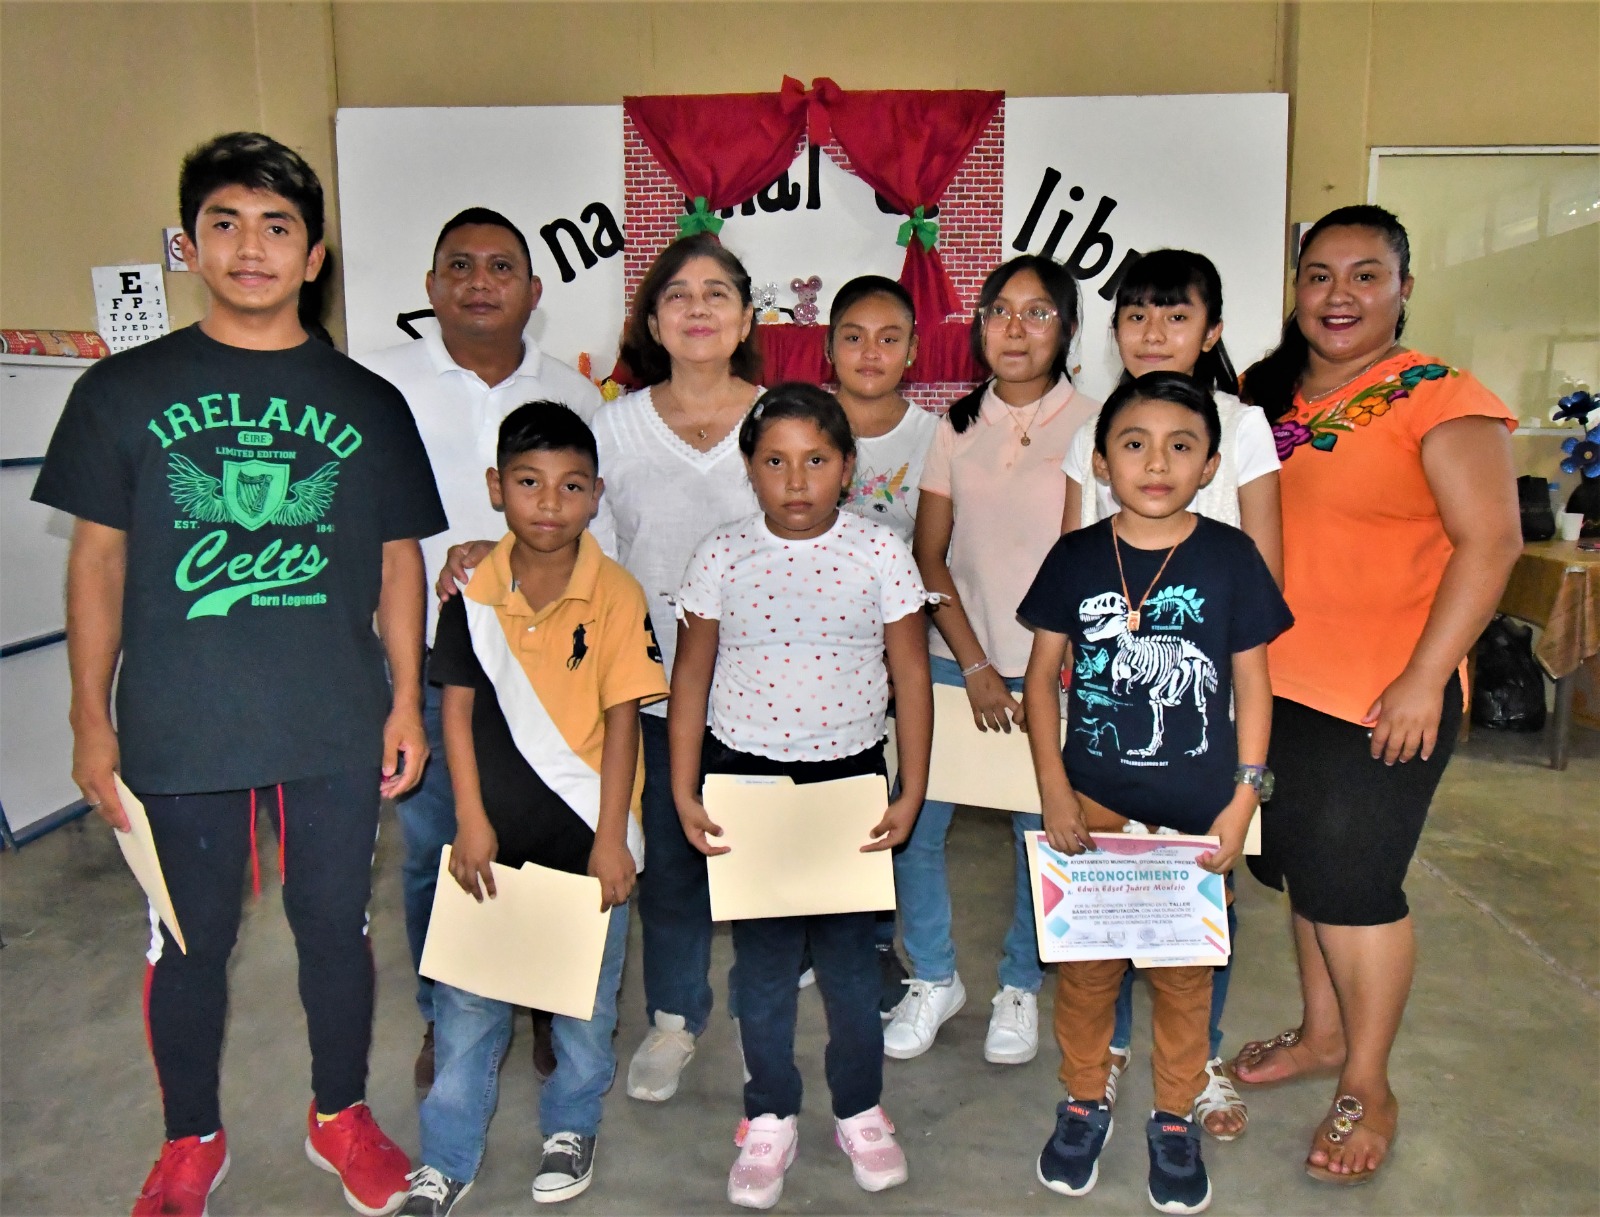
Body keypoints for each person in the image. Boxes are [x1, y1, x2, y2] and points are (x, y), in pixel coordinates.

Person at [33, 132, 446, 1217]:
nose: (250, 247)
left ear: (315, 255)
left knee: (335, 930)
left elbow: (402, 559)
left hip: (332, 721)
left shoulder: (368, 403)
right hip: (179, 725)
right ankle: (190, 1138)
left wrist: (404, 697)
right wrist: (89, 717)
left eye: (277, 227)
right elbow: (99, 560)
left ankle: (338, 1115)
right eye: (224, 222)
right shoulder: (124, 392)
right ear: (189, 244)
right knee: (189, 939)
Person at [1227, 205, 1521, 1185]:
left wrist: (1423, 676)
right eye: (1318, 275)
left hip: (1382, 697)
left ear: (1402, 287)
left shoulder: (1438, 396)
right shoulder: (1264, 397)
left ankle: (1367, 1077)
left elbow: (1492, 542)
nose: (1338, 294)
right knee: (1302, 874)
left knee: (1356, 889)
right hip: (1277, 685)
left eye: (1364, 274)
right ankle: (1318, 1033)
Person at [439, 233, 763, 1102]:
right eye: (677, 295)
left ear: (745, 316)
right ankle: (674, 1018)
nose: (697, 308)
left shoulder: (780, 418)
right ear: (652, 319)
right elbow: (561, 529)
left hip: (767, 690)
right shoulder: (613, 425)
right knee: (669, 862)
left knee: (764, 860)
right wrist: (485, 549)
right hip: (645, 686)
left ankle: (770, 1021)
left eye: (717, 293)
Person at [1019, 371, 1293, 1215]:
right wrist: (1055, 793)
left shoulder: (1230, 556)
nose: (1157, 462)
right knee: (1087, 971)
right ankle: (1082, 1098)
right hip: (1089, 811)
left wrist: (1244, 798)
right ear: (1102, 461)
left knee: (1184, 981)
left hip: (1194, 820)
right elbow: (1040, 683)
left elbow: (1255, 684)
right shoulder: (1074, 555)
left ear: (1211, 464)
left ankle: (1172, 1116)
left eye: (1182, 445)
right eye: (1134, 443)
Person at [398, 404, 668, 1215]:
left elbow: (625, 719)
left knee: (583, 1006)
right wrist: (470, 821)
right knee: (467, 1007)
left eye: (570, 486)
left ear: (595, 496)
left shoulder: (617, 593)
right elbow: (453, 711)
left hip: (590, 841)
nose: (549, 503)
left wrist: (614, 837)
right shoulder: (470, 593)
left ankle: (571, 1124)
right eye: (528, 483)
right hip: (494, 840)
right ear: (495, 488)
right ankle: (446, 1156)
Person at [669, 384, 933, 1210]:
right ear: (749, 468)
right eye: (774, 461)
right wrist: (684, 784)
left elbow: (912, 676)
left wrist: (912, 785)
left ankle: (859, 1106)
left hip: (849, 782)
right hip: (746, 782)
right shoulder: (721, 554)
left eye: (816, 460)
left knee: (855, 965)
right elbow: (692, 677)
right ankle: (770, 1113)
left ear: (847, 468)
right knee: (766, 965)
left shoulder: (882, 552)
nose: (795, 480)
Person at [360, 206, 601, 1089]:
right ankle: (445, 1009)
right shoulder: (376, 385)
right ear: (430, 288)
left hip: (550, 671)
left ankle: (541, 997)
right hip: (428, 667)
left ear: (533, 293)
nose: (479, 283)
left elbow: (584, 519)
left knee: (549, 840)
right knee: (437, 846)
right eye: (458, 266)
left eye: (501, 268)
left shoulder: (574, 394)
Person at [1060, 249, 1282, 1139]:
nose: (1154, 332)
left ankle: (1199, 1062)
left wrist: (1248, 771)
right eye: (1136, 316)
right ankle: (1104, 1058)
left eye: (1176, 315)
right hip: (1109, 708)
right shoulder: (1094, 430)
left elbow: (1264, 560)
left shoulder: (1244, 423)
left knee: (1199, 897)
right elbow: (1071, 555)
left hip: (1210, 693)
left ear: (1212, 330)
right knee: (1105, 894)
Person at [891, 255, 1099, 1065]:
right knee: (915, 826)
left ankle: (1021, 983)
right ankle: (935, 976)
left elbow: (1091, 557)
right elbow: (928, 553)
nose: (1016, 329)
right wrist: (974, 664)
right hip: (955, 662)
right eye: (1000, 312)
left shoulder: (1096, 422)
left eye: (1037, 313)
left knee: (1039, 833)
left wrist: (1040, 667)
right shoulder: (956, 425)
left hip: (1056, 666)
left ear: (1067, 328)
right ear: (979, 327)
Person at [827, 273, 937, 1013]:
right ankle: (811, 927)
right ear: (828, 346)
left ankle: (872, 937)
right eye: (853, 336)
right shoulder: (796, 420)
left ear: (913, 351)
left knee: (878, 795)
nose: (871, 352)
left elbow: (937, 551)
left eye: (888, 337)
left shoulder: (934, 437)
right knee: (814, 792)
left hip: (892, 651)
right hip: (808, 648)